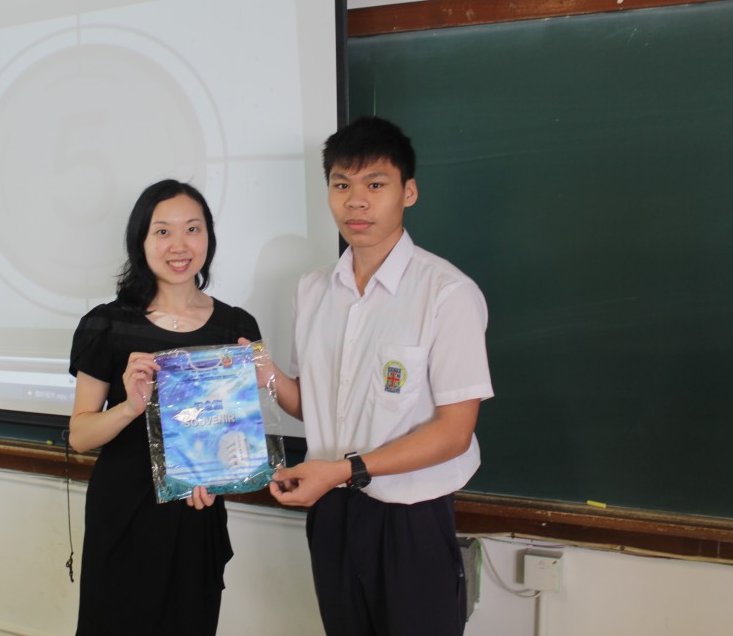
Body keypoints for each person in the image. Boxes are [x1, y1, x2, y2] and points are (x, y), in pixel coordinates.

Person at [265, 116, 494, 636]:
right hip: (331, 511)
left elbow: (455, 433)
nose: (356, 202)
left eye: (375, 185)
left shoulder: (447, 294)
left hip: (410, 519)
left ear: (408, 192)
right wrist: (265, 374)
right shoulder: (312, 289)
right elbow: (314, 406)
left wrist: (344, 470)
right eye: (341, 185)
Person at [68, 179, 261, 636]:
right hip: (124, 513)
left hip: (196, 515)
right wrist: (129, 408)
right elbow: (79, 436)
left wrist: (221, 475)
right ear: (141, 240)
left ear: (208, 237)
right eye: (162, 231)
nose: (179, 245)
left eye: (192, 229)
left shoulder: (236, 328)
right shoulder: (107, 324)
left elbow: (240, 435)